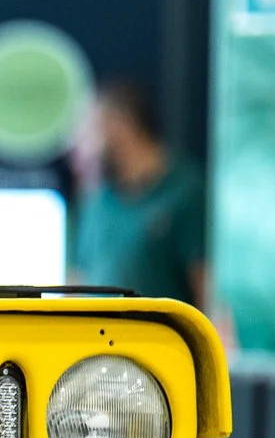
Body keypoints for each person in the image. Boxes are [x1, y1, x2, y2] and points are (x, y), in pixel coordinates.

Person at [70, 79, 207, 306]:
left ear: (122, 127)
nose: (78, 150)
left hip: (156, 340)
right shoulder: (95, 199)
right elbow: (75, 282)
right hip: (91, 339)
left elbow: (207, 289)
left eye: (88, 133)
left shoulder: (185, 193)